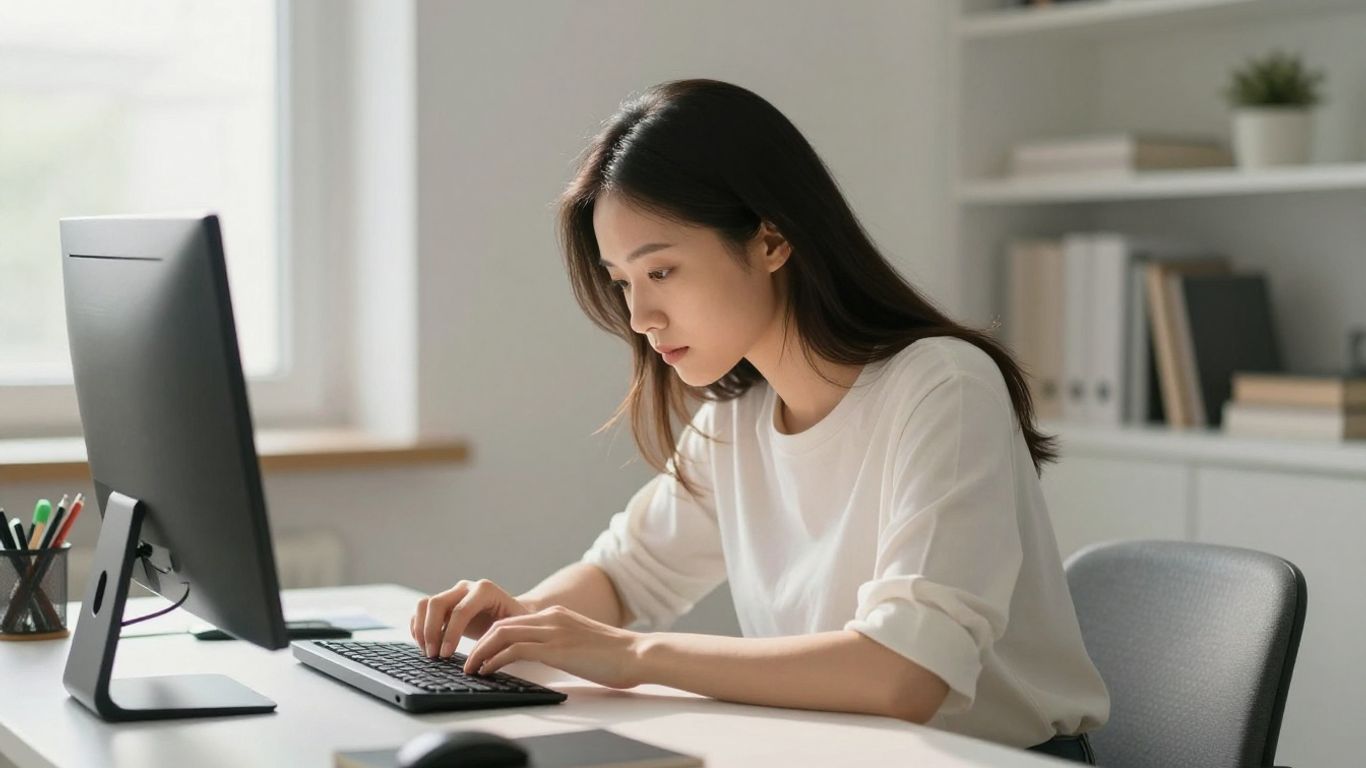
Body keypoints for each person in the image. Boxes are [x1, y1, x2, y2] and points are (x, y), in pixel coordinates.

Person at [411, 79, 1108, 764]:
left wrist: (631, 657)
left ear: (771, 241)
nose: (639, 318)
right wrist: (518, 623)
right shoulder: (737, 417)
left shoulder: (943, 388)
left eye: (662, 272)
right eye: (623, 281)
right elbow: (627, 579)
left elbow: (907, 675)